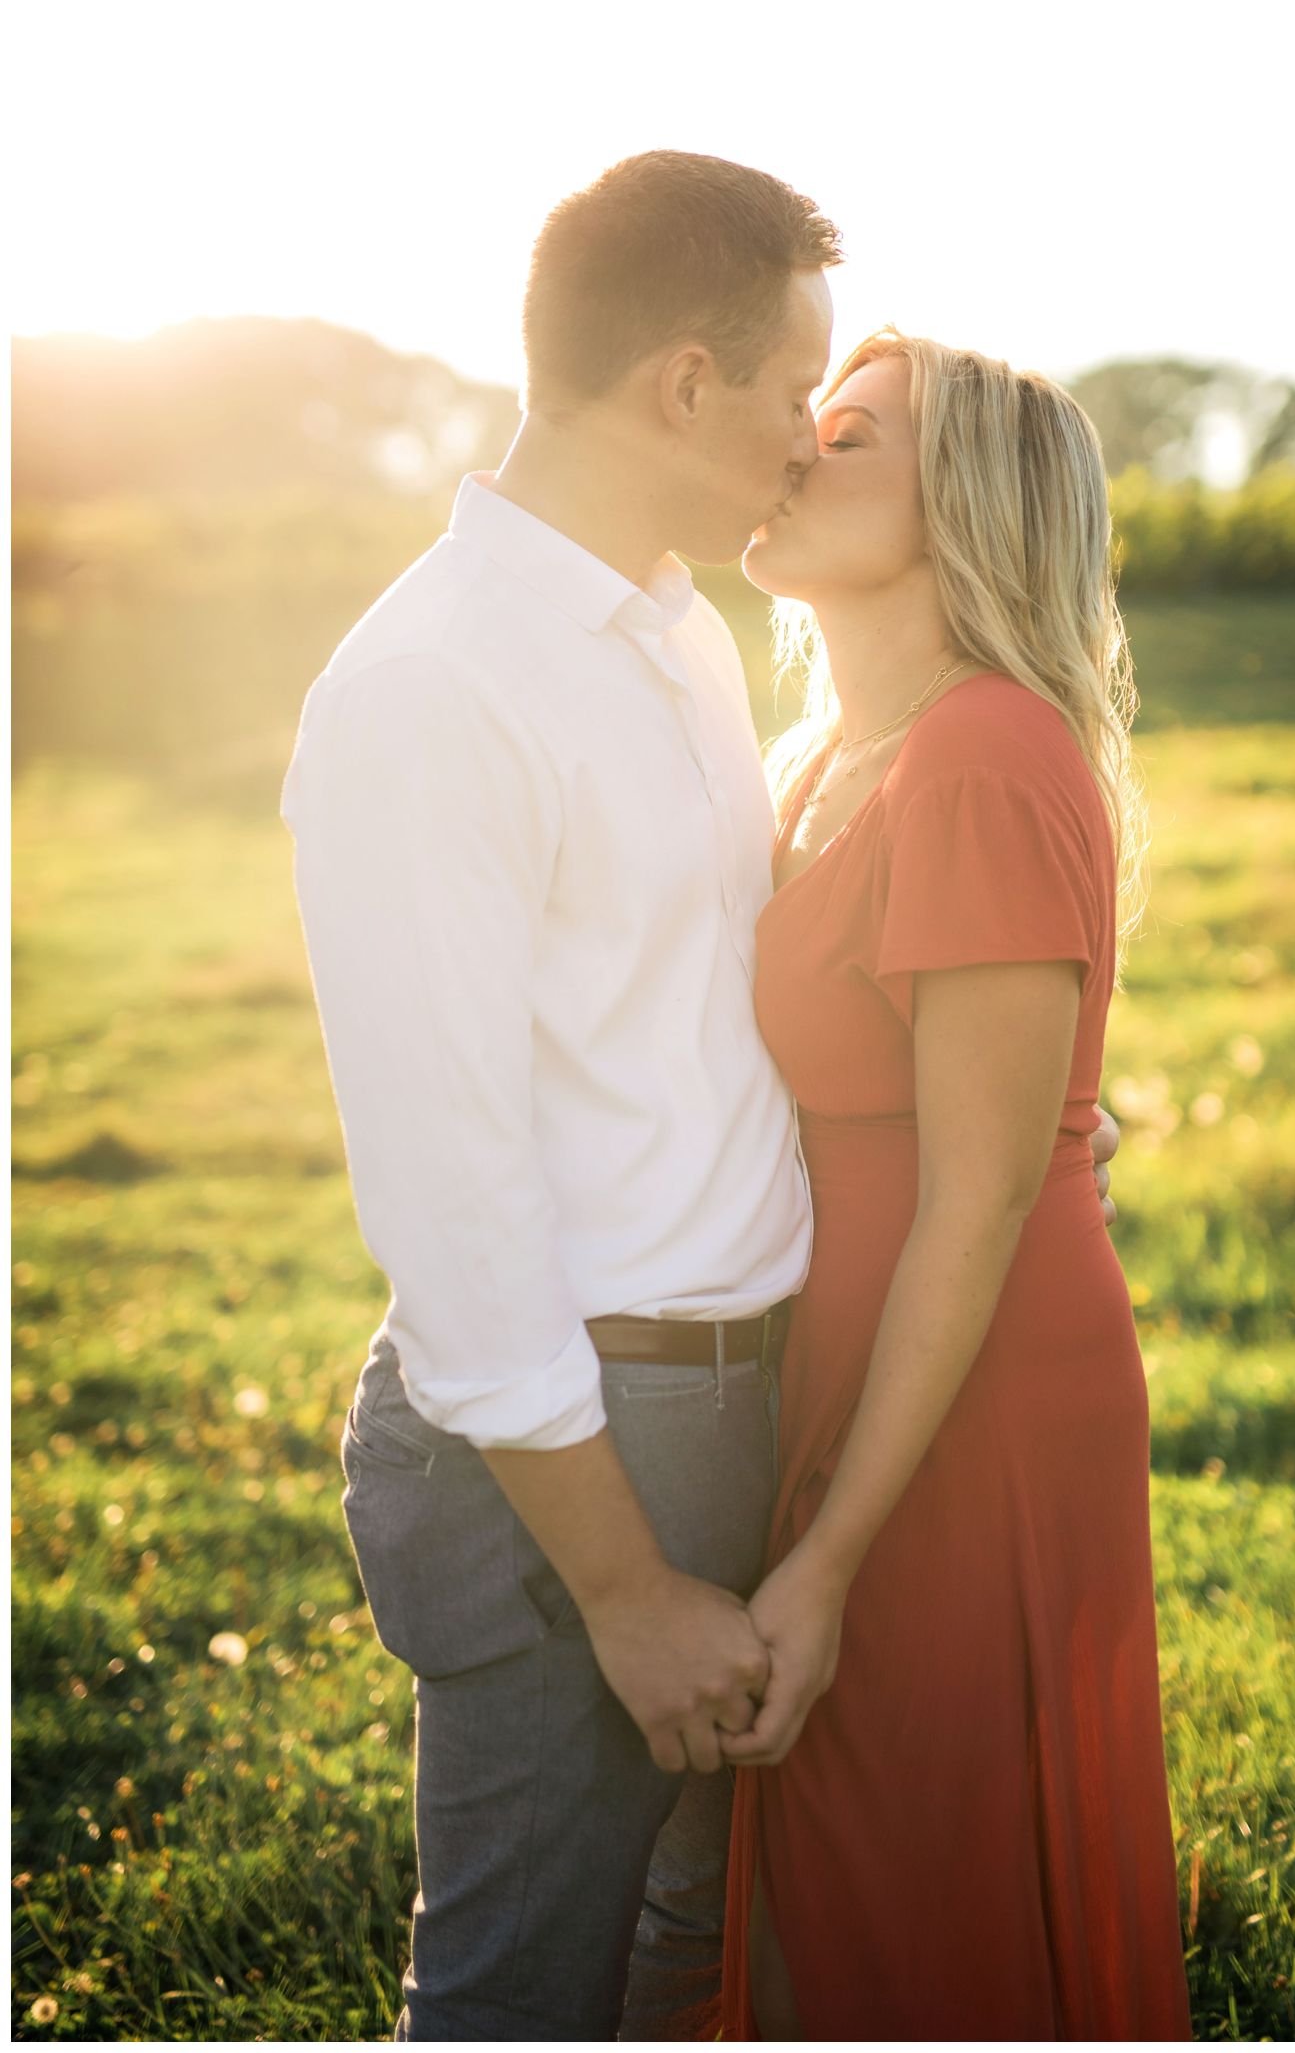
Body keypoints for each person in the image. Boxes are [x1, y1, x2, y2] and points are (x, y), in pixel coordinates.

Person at [284, 150, 840, 2038]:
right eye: (788, 395)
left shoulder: (678, 626)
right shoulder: (433, 687)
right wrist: (621, 1583)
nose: (808, 440)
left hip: (742, 1392)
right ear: (685, 383)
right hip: (574, 1456)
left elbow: (697, 998)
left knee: (690, 1961)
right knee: (526, 1996)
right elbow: (452, 1195)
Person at [711, 330, 1191, 2037]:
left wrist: (830, 1553)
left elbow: (977, 1200)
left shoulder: (983, 752)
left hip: (969, 1382)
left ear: (962, 503)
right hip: (855, 1345)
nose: (790, 449)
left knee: (932, 1864)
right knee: (849, 1858)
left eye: (844, 434)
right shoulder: (806, 761)